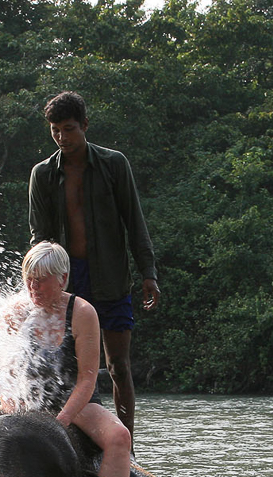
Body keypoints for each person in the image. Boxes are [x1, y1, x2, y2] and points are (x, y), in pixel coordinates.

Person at [29, 90, 158, 444]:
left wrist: (148, 273)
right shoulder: (42, 174)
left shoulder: (113, 164)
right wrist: (38, 285)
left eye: (69, 128)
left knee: (118, 365)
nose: (62, 137)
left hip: (111, 277)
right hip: (66, 281)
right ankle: (64, 440)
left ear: (85, 125)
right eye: (55, 130)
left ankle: (128, 445)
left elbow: (135, 220)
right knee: (63, 367)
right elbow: (39, 240)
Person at [8, 241, 131, 477]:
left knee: (119, 437)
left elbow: (87, 379)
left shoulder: (82, 312)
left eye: (41, 280)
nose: (34, 287)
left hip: (76, 402)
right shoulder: (17, 312)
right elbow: (6, 372)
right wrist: (11, 406)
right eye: (29, 279)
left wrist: (61, 421)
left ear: (63, 279)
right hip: (31, 398)